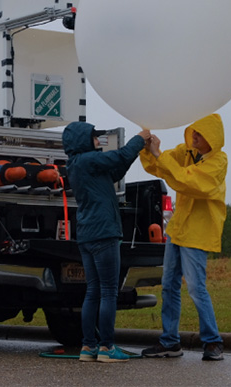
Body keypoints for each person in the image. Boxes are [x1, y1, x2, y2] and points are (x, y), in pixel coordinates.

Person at [140, 113, 227, 361]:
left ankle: (213, 341)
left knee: (197, 289)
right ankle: (170, 342)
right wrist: (147, 149)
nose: (195, 137)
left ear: (213, 136)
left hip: (197, 233)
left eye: (200, 133)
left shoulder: (219, 161)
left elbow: (189, 182)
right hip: (178, 230)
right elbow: (160, 167)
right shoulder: (187, 152)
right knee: (169, 286)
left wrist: (159, 154)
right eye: (194, 132)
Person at [62, 122, 151, 363]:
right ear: (83, 140)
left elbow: (117, 168)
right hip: (104, 233)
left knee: (92, 291)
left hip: (87, 235)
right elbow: (121, 155)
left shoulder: (77, 165)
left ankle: (88, 347)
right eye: (94, 137)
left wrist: (134, 153)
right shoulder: (89, 160)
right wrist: (140, 139)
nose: (99, 141)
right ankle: (107, 348)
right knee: (109, 291)